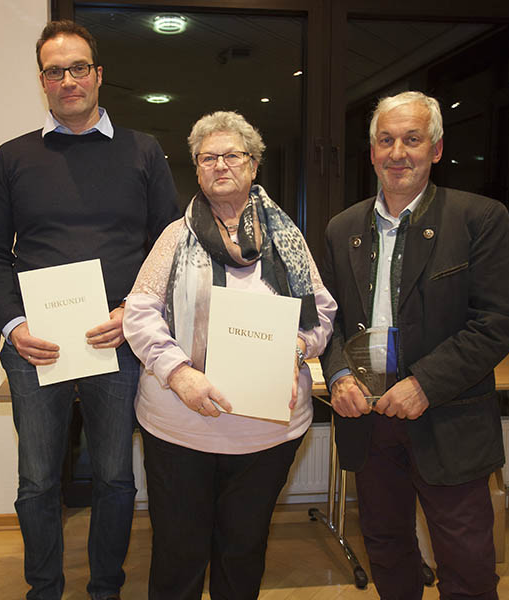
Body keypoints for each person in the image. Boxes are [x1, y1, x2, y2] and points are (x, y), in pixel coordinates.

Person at [0, 20, 179, 600]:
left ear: (98, 74)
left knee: (115, 477)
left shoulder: (143, 150)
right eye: (55, 71)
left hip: (116, 340)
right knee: (37, 481)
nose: (68, 80)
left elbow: (168, 248)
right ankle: (44, 589)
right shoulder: (13, 156)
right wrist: (14, 327)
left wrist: (133, 314)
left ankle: (105, 589)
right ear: (42, 80)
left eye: (78, 68)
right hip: (35, 345)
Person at [122, 110, 337, 599]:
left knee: (243, 550)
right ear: (197, 169)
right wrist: (178, 374)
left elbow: (321, 313)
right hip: (181, 427)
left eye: (233, 155)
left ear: (254, 165)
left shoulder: (288, 241)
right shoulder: (176, 237)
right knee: (178, 552)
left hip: (266, 435)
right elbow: (139, 313)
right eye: (208, 157)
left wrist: (296, 348)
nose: (221, 165)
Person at [320, 91, 509, 599]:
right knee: (387, 549)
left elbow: (499, 321)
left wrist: (424, 384)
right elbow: (326, 322)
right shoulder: (342, 228)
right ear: (371, 152)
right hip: (369, 422)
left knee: (468, 564)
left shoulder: (479, 219)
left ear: (435, 148)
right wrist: (340, 375)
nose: (397, 153)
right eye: (385, 140)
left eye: (412, 140)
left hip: (448, 418)